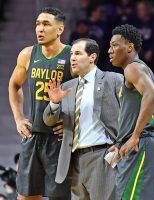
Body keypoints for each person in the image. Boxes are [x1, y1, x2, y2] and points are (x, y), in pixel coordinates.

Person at [43, 38, 123, 200]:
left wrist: (122, 144)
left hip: (101, 156)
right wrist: (54, 103)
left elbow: (131, 115)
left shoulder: (113, 80)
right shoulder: (67, 87)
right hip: (75, 160)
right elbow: (49, 120)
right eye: (71, 54)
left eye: (78, 53)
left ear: (92, 57)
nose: (72, 58)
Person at [8, 7, 72, 200]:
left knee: (60, 197)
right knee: (26, 196)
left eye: (46, 24)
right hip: (34, 136)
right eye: (37, 24)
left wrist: (72, 124)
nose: (40, 29)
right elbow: (14, 85)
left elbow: (88, 94)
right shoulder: (28, 54)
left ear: (60, 29)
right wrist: (19, 118)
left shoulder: (72, 56)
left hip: (60, 141)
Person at [108, 24, 154, 200]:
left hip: (140, 145)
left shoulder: (132, 68)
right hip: (143, 145)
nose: (109, 50)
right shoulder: (143, 71)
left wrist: (136, 137)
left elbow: (151, 96)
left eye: (114, 45)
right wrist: (150, 140)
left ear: (129, 47)